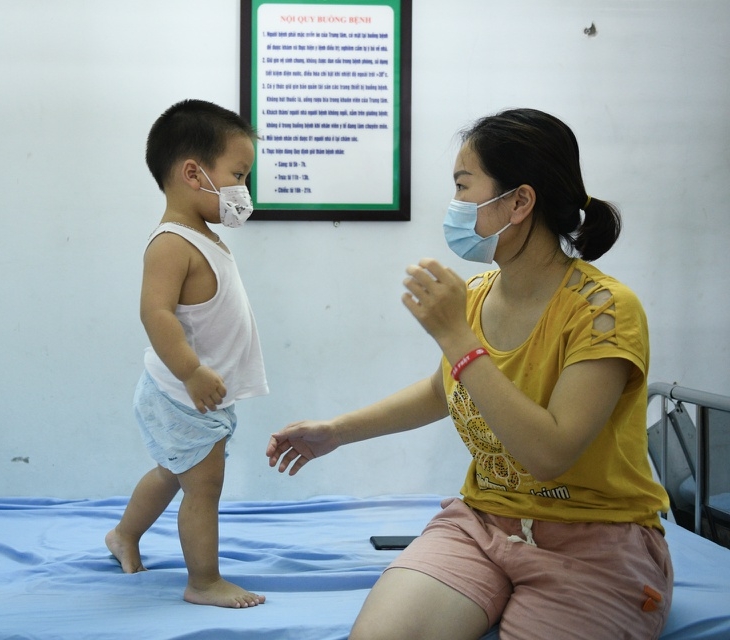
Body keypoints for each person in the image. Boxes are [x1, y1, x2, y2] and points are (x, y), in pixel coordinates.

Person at [266, 108, 672, 639]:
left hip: (595, 539)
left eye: (464, 186)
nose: (455, 206)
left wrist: (457, 339)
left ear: (520, 202)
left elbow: (550, 455)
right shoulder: (478, 296)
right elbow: (446, 389)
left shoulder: (604, 310)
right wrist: (336, 432)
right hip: (483, 524)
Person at [106, 99, 269, 609]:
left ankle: (123, 535)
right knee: (203, 486)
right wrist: (193, 372)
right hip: (181, 392)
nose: (244, 190)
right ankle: (203, 581)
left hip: (193, 393)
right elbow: (155, 314)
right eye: (239, 174)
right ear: (194, 173)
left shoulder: (205, 237)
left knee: (172, 474)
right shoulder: (172, 243)